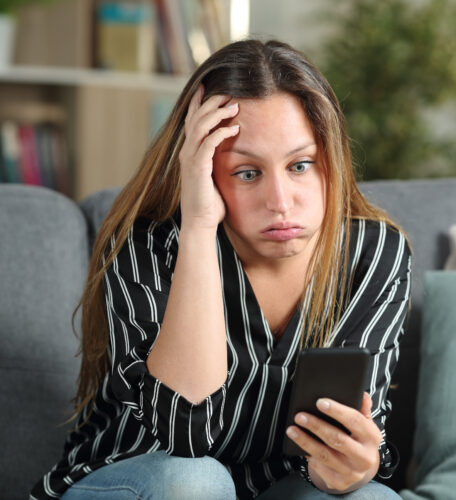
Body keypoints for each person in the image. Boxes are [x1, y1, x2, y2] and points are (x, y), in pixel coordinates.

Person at [31, 39, 411, 500]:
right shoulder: (148, 244)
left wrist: (352, 464)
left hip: (275, 488)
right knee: (196, 483)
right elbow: (183, 434)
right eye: (247, 173)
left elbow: (357, 429)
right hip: (139, 479)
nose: (280, 202)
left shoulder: (373, 253)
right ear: (203, 170)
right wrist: (198, 227)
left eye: (301, 165)